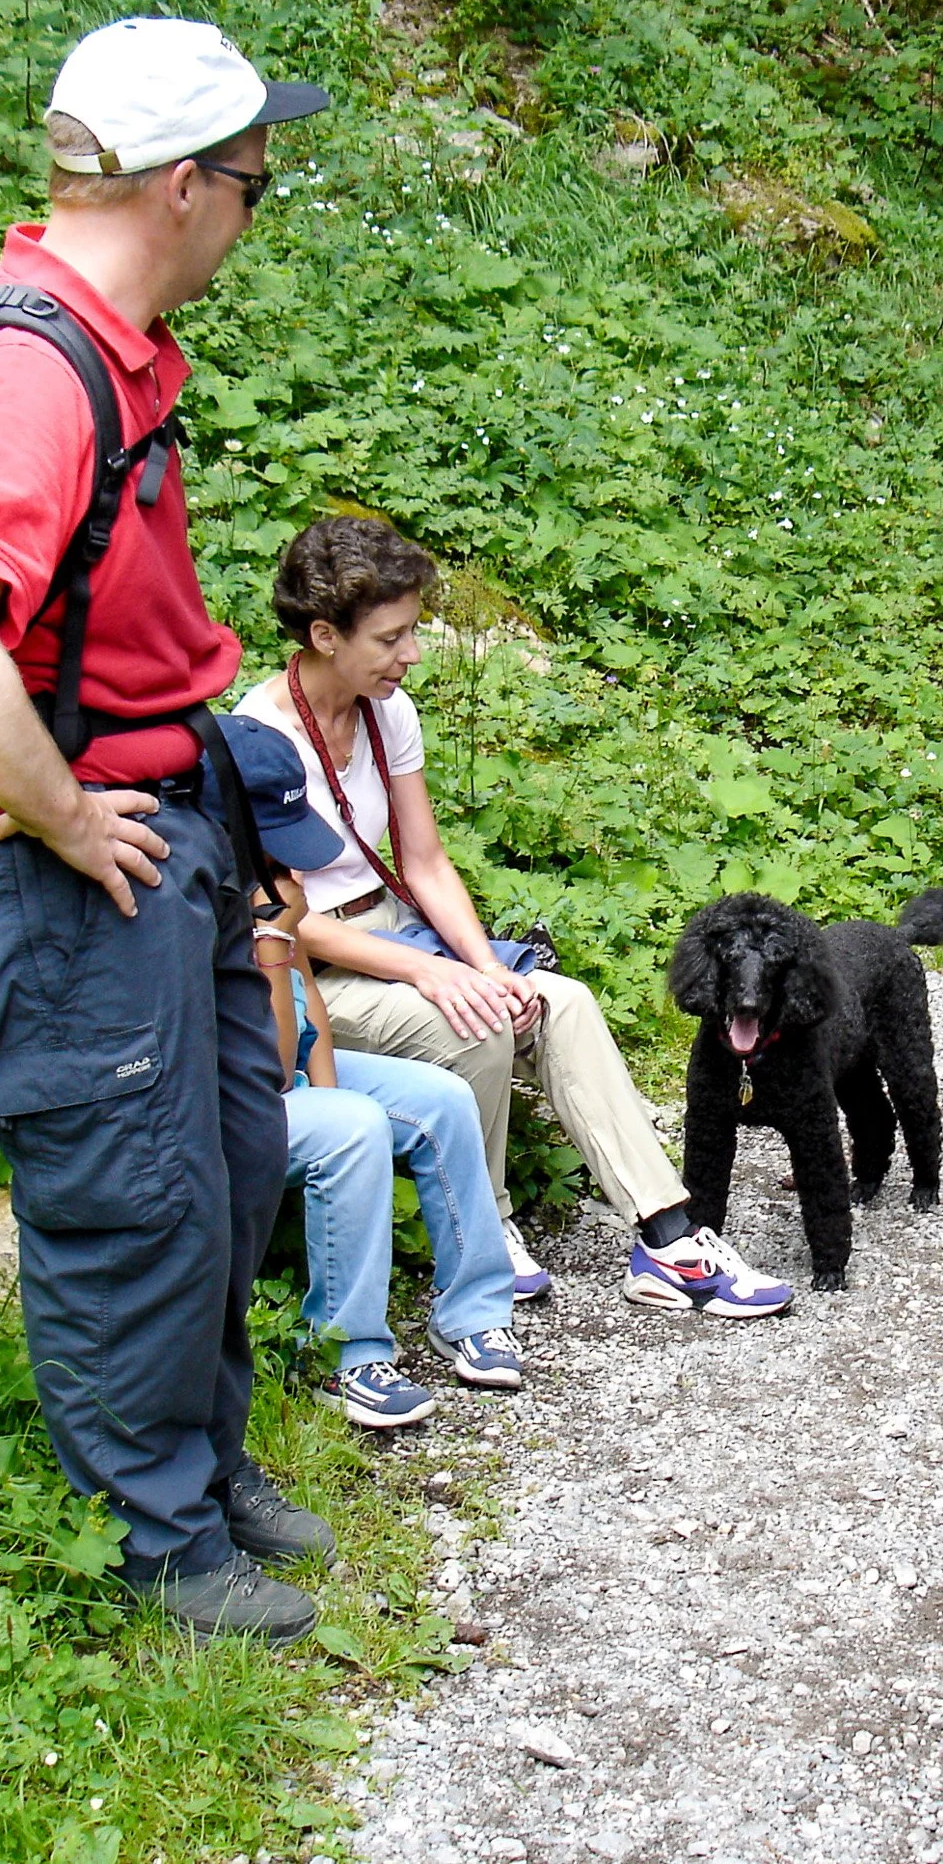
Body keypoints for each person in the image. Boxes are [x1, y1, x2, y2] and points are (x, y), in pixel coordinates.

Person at [0, 19, 335, 1642]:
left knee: (225, 1165)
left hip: (172, 830)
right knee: (132, 1198)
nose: (257, 218)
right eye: (256, 186)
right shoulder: (24, 367)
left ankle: (206, 1468)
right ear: (188, 189)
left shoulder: (104, 349)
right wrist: (55, 811)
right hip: (76, 876)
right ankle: (157, 1545)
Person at [232, 514, 797, 1319]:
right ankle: (484, 1227)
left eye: (414, 631)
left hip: (396, 931)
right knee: (476, 1023)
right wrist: (435, 971)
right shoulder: (258, 736)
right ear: (325, 633)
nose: (413, 654)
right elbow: (279, 914)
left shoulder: (389, 712)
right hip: (317, 974)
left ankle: (668, 1236)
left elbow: (424, 860)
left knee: (555, 1001)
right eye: (391, 638)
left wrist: (485, 964)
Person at [212, 714, 524, 1427]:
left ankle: (473, 1312)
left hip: (282, 1078)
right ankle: (347, 1356)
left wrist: (323, 1085)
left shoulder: (266, 892)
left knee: (441, 1100)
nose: (293, 874)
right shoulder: (192, 907)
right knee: (351, 1126)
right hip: (224, 1090)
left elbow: (306, 1012)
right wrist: (270, 937)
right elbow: (262, 1059)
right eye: (277, 853)